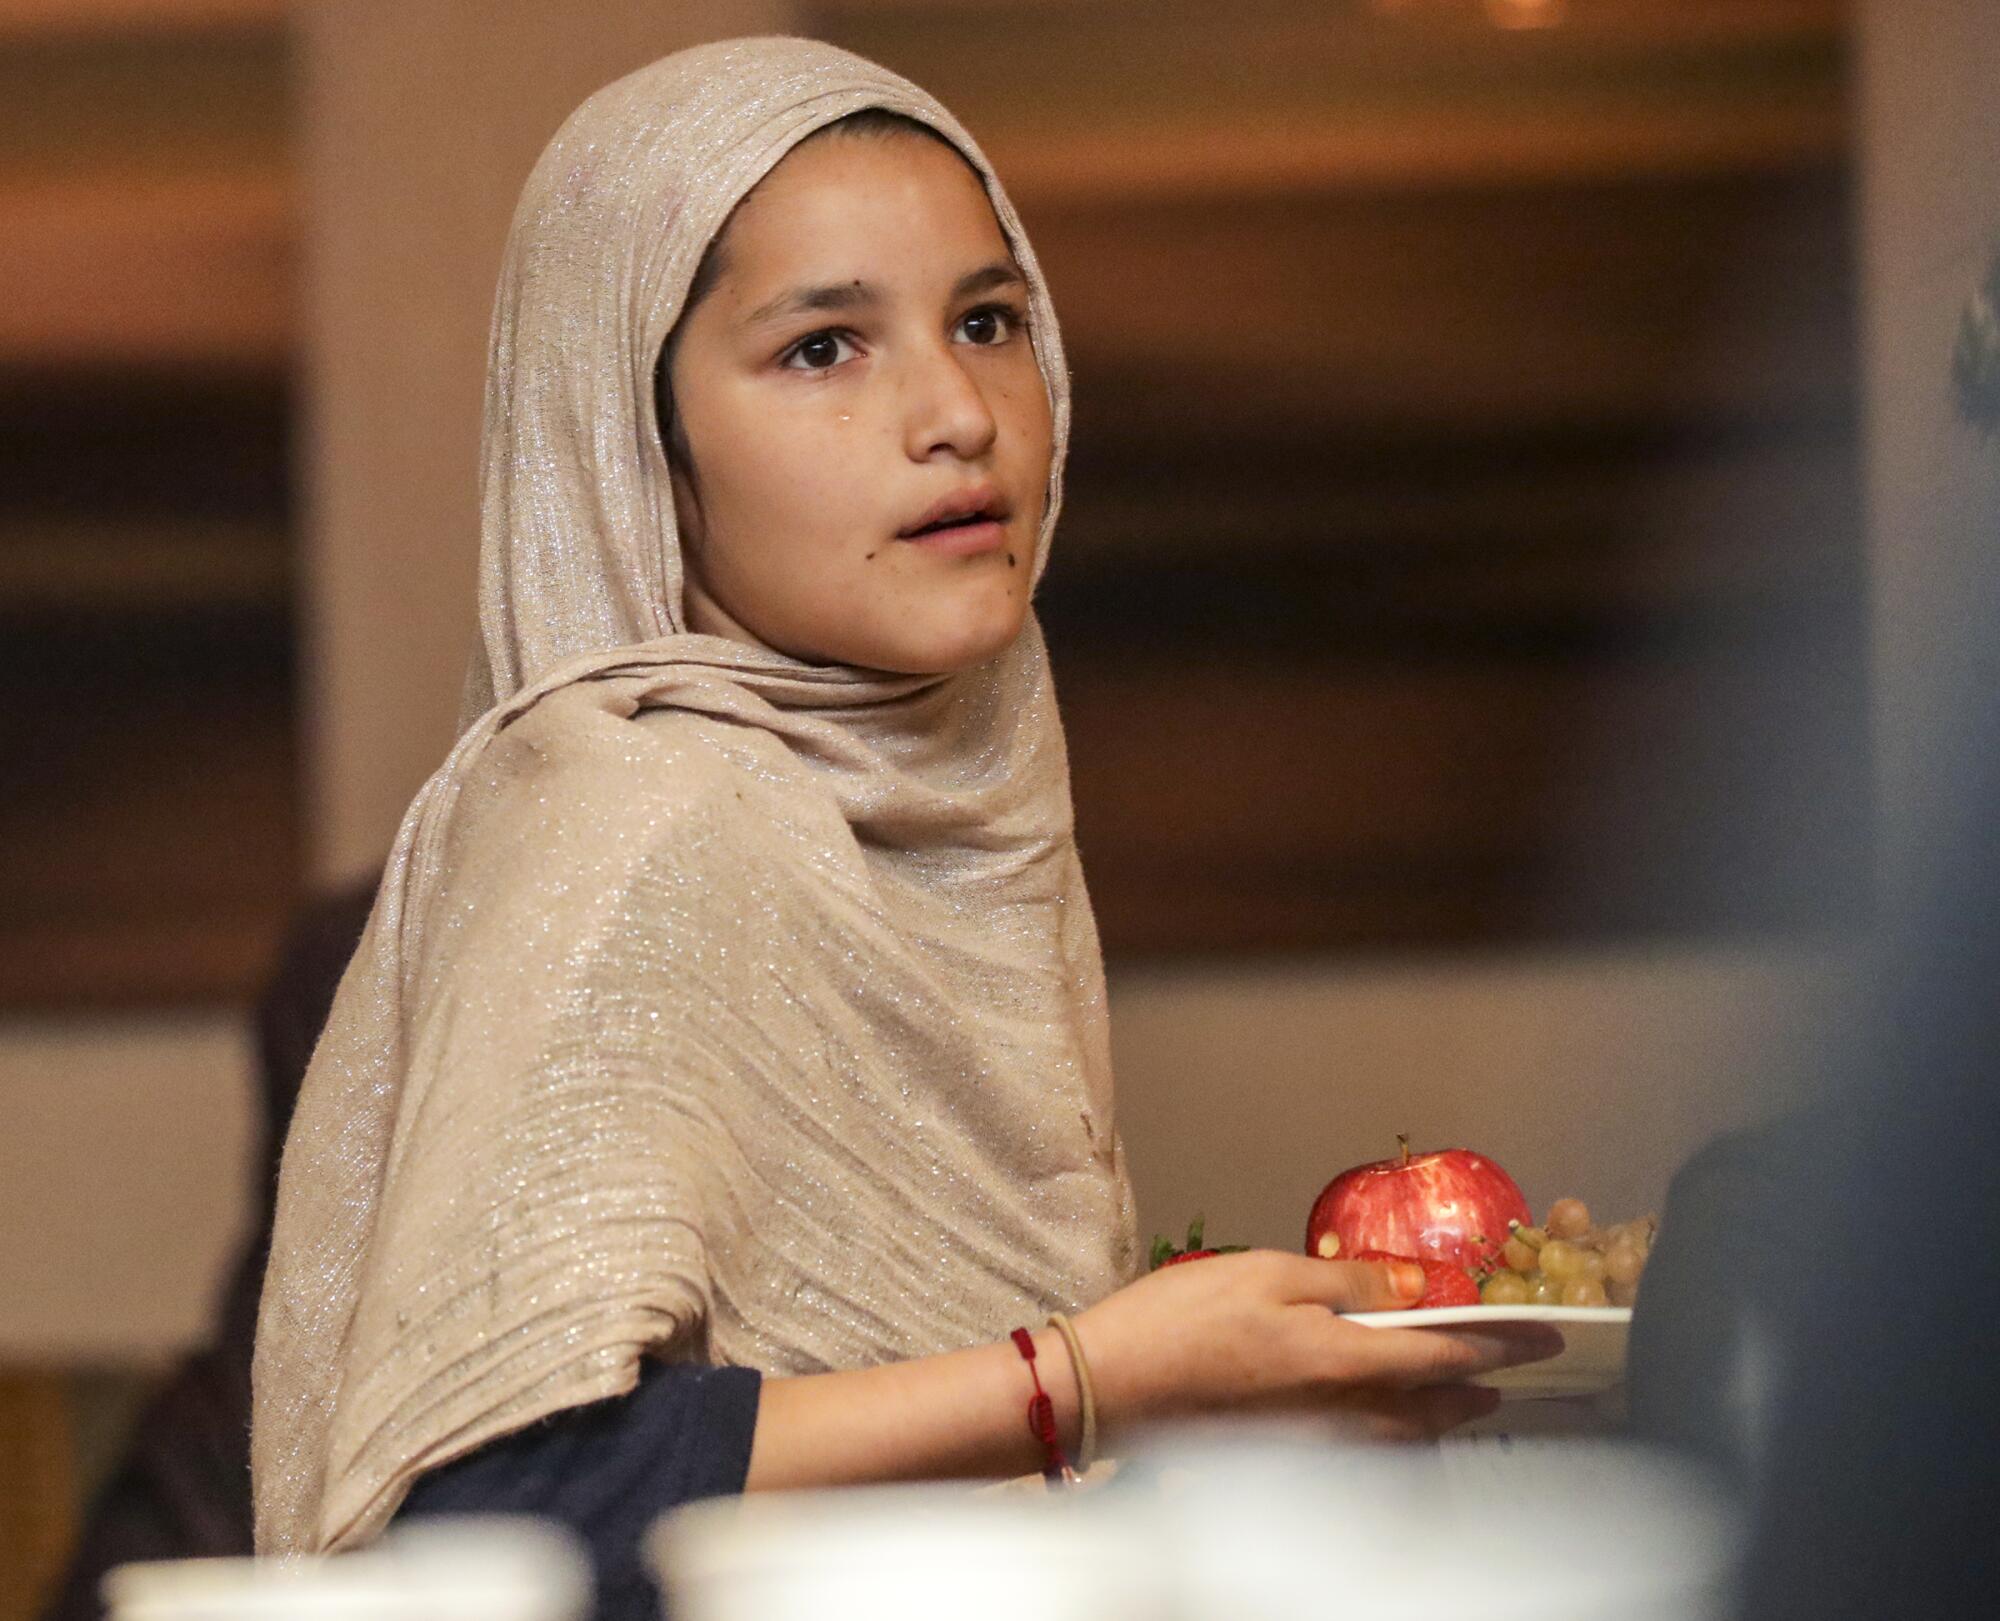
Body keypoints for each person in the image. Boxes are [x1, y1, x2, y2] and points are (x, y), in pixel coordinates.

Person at [251, 36, 1560, 1617]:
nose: (957, 412)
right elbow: (490, 1507)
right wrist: (1084, 1377)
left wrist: (1207, 1409)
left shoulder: (968, 798)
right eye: (822, 348)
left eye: (990, 321)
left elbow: (922, 1481)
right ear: (640, 441)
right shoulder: (643, 810)